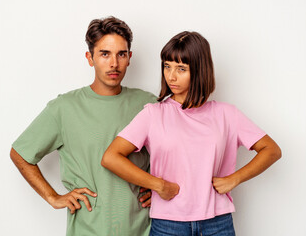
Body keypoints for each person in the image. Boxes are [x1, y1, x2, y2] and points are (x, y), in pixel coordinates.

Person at [101, 31, 282, 236]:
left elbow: (272, 150)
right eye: (167, 66)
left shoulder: (226, 114)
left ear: (199, 71)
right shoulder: (153, 114)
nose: (171, 76)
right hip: (168, 224)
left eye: (181, 68)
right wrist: (158, 185)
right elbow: (111, 157)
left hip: (218, 223)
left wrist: (235, 178)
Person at [10, 16, 156, 236]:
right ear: (90, 58)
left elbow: (178, 154)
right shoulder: (64, 108)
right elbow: (20, 153)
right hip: (88, 229)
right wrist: (53, 197)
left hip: (141, 229)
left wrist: (159, 189)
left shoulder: (149, 105)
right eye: (104, 54)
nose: (114, 63)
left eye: (121, 54)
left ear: (129, 58)